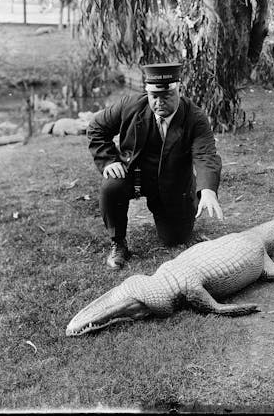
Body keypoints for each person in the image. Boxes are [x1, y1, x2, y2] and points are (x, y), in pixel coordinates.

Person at [88, 62, 224, 269]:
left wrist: (207, 190)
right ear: (148, 93)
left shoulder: (195, 118)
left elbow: (205, 154)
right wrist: (108, 160)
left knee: (176, 238)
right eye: (154, 96)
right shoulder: (130, 105)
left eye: (167, 95)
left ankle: (170, 213)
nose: (159, 102)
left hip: (172, 183)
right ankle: (118, 243)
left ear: (178, 91)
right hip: (133, 176)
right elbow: (97, 127)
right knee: (111, 185)